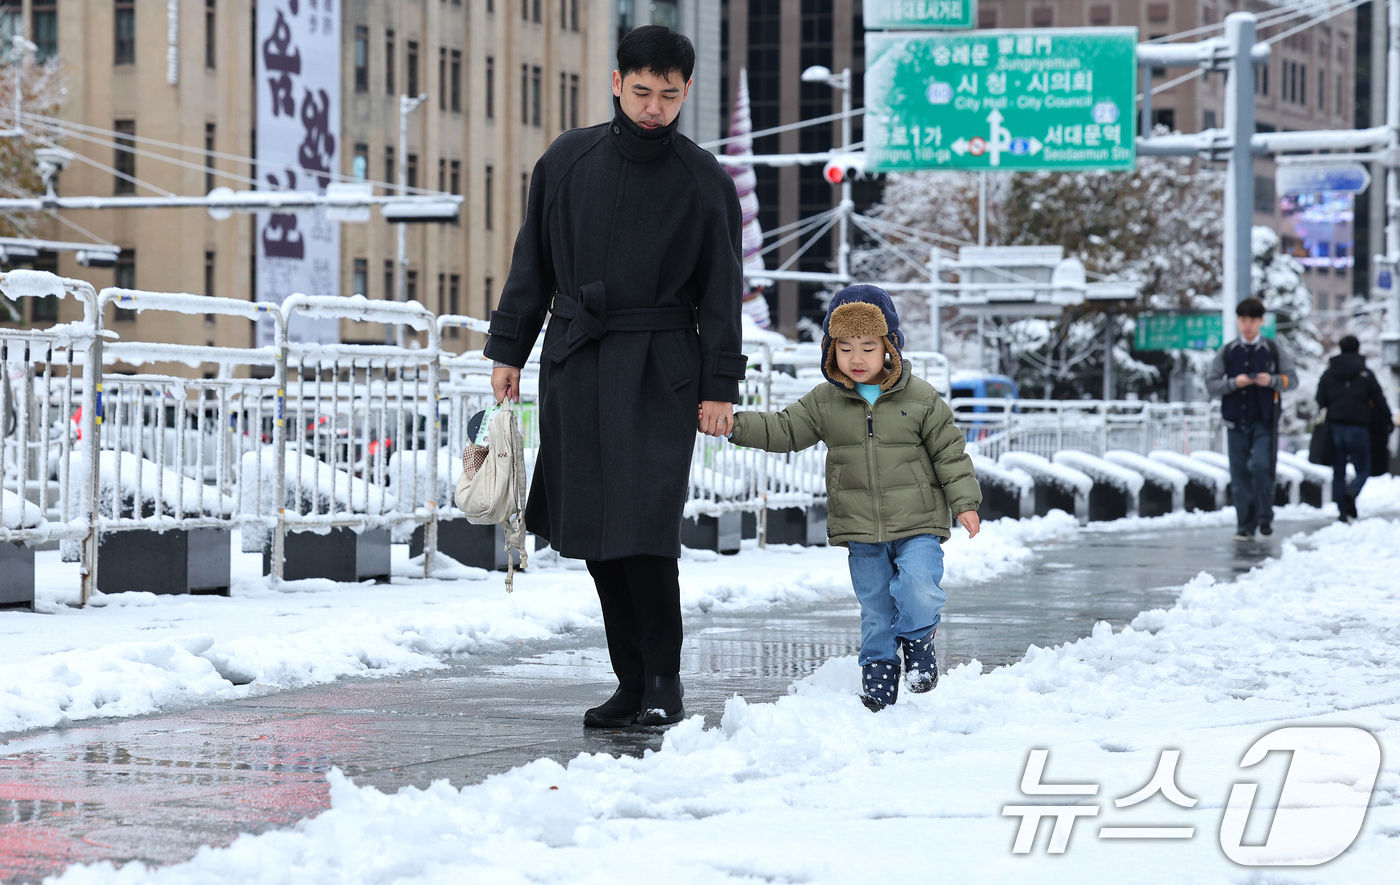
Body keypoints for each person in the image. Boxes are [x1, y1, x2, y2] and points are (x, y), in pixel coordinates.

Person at [482, 26, 745, 729]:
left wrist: (720, 387)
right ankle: (629, 680)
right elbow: (530, 263)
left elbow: (723, 292)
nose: (654, 107)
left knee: (646, 530)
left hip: (661, 368)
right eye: (641, 91)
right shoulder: (567, 160)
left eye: (668, 94)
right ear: (615, 82)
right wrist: (509, 350)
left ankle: (665, 679)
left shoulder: (705, 181)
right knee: (595, 531)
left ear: (687, 90)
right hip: (578, 360)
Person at [726, 285, 981, 711]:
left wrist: (965, 502)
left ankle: (919, 638)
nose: (857, 359)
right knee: (877, 608)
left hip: (919, 524)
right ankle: (879, 675)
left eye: (868, 347)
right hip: (861, 528)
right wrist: (733, 425)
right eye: (845, 348)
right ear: (830, 351)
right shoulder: (826, 402)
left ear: (890, 347)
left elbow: (949, 452)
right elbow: (783, 429)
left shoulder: (920, 398)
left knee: (918, 587)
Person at [1206, 298, 1295, 541]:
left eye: (1253, 320)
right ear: (1238, 321)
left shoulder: (1272, 349)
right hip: (1235, 421)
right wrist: (1234, 383)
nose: (1248, 325)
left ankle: (1264, 517)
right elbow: (1212, 384)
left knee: (1261, 467)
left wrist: (1273, 380)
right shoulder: (1228, 351)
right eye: (1243, 320)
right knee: (1240, 474)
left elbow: (1291, 380)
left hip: (1265, 420)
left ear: (1261, 322)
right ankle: (1244, 524)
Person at [1316, 335, 1392, 522]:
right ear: (1358, 350)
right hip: (1359, 427)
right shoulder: (1365, 373)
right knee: (1363, 469)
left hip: (1335, 426)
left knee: (1338, 471)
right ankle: (1353, 491)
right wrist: (1387, 418)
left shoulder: (1329, 373)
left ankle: (1342, 510)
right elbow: (1378, 398)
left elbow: (1320, 399)